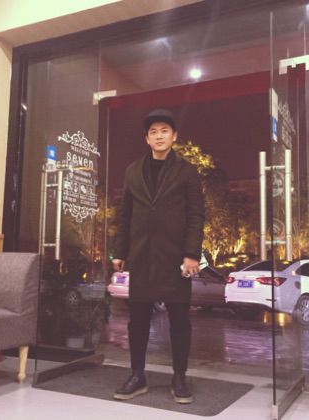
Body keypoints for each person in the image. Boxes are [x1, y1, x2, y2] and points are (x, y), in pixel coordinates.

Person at [112, 108, 205, 404]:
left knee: (179, 320)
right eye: (153, 132)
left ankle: (180, 376)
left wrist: (192, 253)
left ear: (174, 136)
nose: (159, 136)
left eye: (164, 131)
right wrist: (120, 251)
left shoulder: (187, 171)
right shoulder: (132, 171)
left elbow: (196, 216)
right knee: (137, 319)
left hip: (175, 257)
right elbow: (125, 215)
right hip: (141, 255)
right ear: (147, 139)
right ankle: (137, 375)